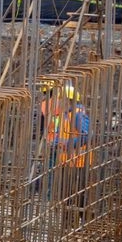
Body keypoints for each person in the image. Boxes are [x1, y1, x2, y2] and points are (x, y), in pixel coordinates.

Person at [38, 82, 91, 214]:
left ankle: (80, 218)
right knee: (65, 196)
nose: (57, 102)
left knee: (78, 196)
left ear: (68, 100)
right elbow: (61, 134)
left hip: (79, 162)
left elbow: (87, 135)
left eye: (60, 99)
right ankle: (67, 221)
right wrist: (55, 142)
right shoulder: (65, 115)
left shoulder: (78, 115)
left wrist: (67, 144)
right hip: (66, 162)